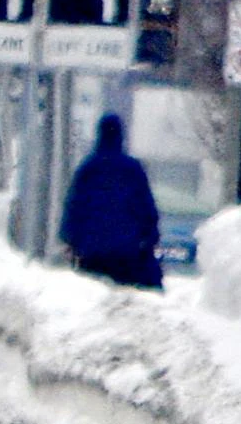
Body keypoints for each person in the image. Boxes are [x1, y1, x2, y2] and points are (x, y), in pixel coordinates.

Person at [59, 110, 168, 290]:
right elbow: (147, 208)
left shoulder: (88, 169)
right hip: (128, 254)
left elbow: (75, 207)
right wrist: (150, 238)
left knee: (94, 295)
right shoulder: (132, 169)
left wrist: (71, 240)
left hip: (92, 253)